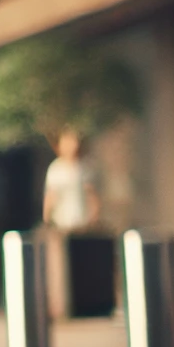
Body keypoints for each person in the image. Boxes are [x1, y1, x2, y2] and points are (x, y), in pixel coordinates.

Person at [41, 128, 101, 319]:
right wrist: (47, 217)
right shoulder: (56, 169)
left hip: (81, 222)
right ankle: (62, 307)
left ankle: (83, 305)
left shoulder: (84, 167)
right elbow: (51, 195)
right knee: (61, 265)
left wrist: (94, 215)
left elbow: (91, 194)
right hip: (62, 223)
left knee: (82, 264)